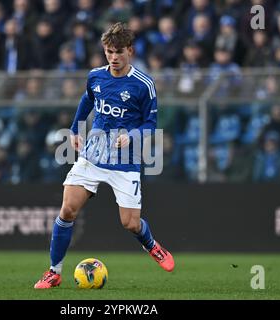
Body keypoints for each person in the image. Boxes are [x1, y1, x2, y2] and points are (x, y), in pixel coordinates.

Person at [34, 22, 175, 289]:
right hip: (93, 154)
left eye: (118, 51)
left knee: (130, 224)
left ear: (129, 51)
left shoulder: (144, 85)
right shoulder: (96, 76)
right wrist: (75, 129)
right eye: (109, 51)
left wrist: (131, 136)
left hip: (126, 160)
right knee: (67, 210)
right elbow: (87, 99)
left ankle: (152, 245)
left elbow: (150, 125)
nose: (113, 57)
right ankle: (54, 272)